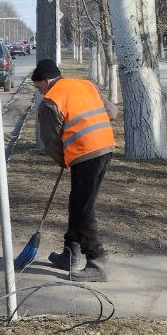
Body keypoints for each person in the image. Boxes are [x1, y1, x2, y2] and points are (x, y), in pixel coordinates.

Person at [31, 58, 117, 281]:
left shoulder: (51, 101)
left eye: (39, 86)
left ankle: (97, 262)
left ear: (48, 81)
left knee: (83, 209)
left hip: (85, 153)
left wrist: (63, 161)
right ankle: (70, 252)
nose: (39, 92)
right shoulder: (86, 85)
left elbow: (50, 142)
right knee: (77, 201)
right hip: (105, 147)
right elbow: (113, 112)